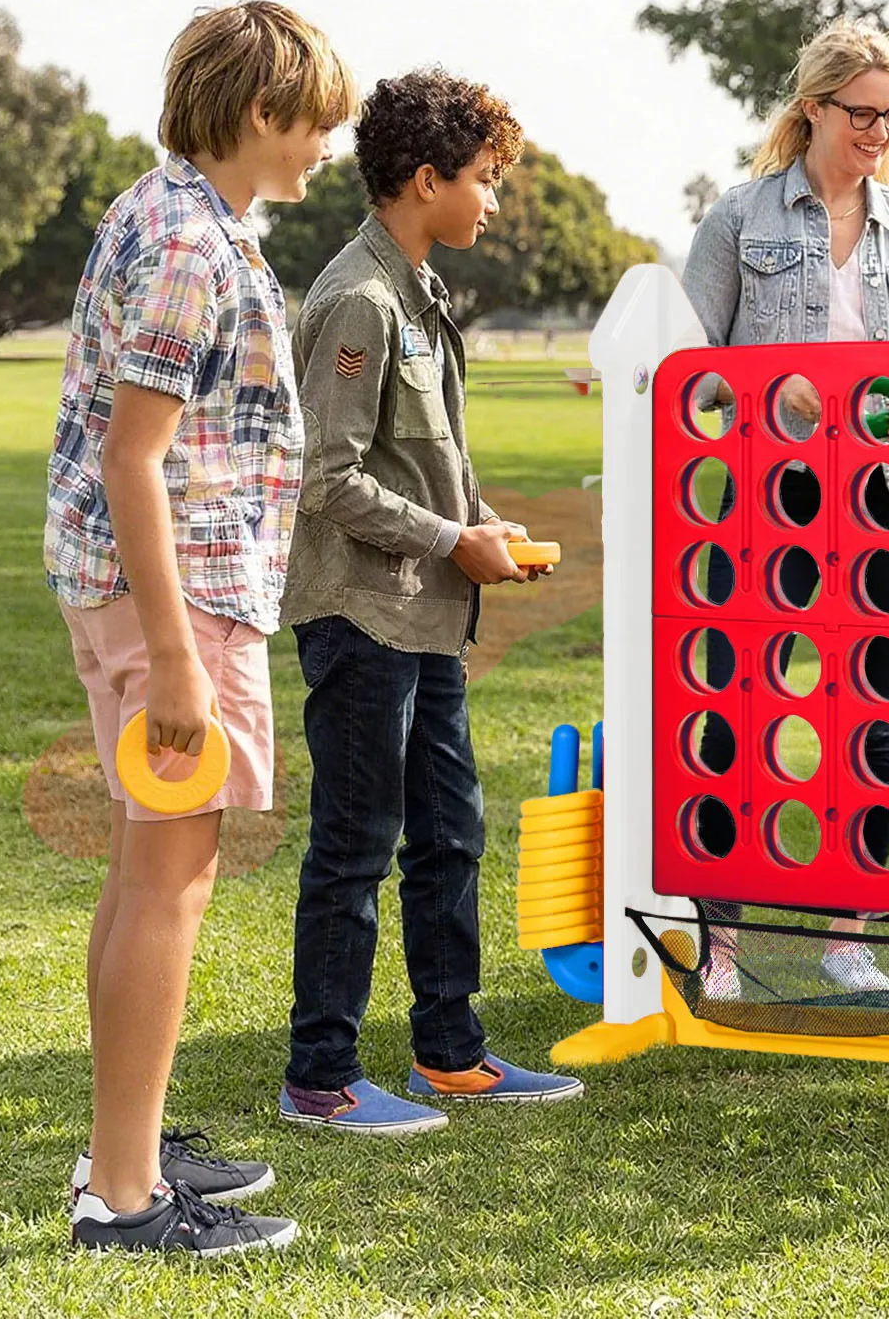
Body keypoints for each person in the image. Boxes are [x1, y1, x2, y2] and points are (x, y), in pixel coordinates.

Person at [48, 0, 355, 1254]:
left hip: (139, 588)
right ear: (263, 111)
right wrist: (178, 658)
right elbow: (136, 458)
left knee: (144, 871)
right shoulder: (190, 242)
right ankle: (122, 1196)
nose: (328, 143)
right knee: (171, 880)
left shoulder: (169, 212)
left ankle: (121, 1143)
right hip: (175, 600)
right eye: (317, 121)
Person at [277, 69, 584, 1134]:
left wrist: (483, 527)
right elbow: (329, 478)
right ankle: (320, 1077)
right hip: (362, 617)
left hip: (430, 617)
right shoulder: (359, 301)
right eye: (484, 179)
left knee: (450, 835)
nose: (493, 200)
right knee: (356, 844)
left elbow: (426, 461)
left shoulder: (418, 291)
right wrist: (456, 541)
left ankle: (451, 1055)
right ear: (425, 179)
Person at [681, 18, 889, 1001]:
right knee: (735, 714)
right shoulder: (736, 219)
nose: (879, 131)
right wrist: (770, 386)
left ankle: (849, 938)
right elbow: (688, 370)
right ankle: (720, 946)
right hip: (767, 495)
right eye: (863, 113)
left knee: (877, 719)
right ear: (814, 109)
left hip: (881, 501)